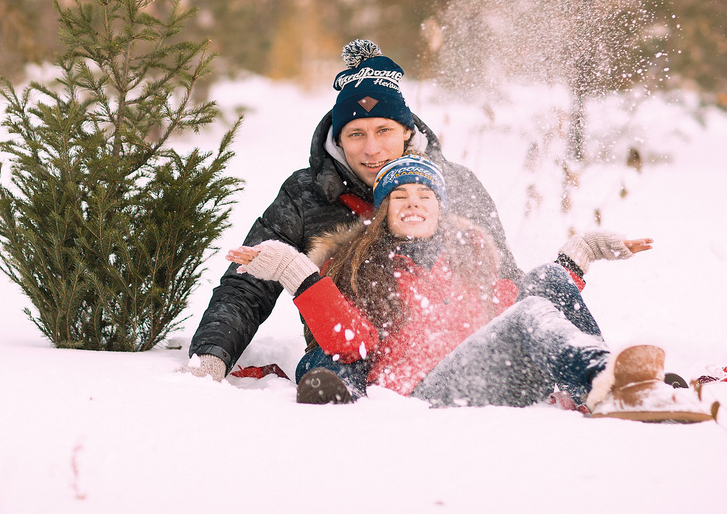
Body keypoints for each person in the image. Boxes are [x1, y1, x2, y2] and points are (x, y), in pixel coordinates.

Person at [226, 155, 711, 422]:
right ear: (383, 213)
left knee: (536, 291)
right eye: (399, 197)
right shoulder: (360, 269)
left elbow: (531, 304)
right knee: (525, 317)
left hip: (493, 377)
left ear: (440, 209)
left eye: (424, 197)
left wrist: (578, 255)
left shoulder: (472, 262)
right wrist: (295, 270)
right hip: (428, 392)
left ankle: (613, 384)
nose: (413, 204)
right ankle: (608, 383)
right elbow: (350, 344)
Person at [182, 39, 525, 382]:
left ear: (407, 132)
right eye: (356, 133)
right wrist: (212, 356)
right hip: (340, 350)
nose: (372, 148)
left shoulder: (455, 185)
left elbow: (503, 277)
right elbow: (247, 287)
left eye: (384, 130)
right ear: (338, 138)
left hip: (448, 352)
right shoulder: (307, 194)